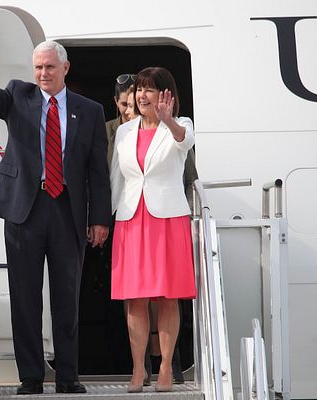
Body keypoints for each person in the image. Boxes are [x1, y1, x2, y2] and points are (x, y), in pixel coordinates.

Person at [0, 35, 111, 395]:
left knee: (67, 297)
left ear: (65, 68)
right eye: (38, 67)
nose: (43, 73)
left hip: (67, 210)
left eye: (49, 67)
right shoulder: (19, 95)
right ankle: (31, 376)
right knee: (24, 296)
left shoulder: (90, 110)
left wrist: (99, 218)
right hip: (24, 210)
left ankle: (68, 376)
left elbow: (98, 169)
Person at [110, 67, 197, 393]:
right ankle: (137, 369)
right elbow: (117, 177)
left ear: (165, 95)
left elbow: (184, 141)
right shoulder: (124, 131)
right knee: (134, 299)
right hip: (131, 220)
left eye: (149, 89)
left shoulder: (180, 124)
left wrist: (168, 120)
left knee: (167, 297)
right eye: (139, 90)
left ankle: (165, 368)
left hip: (167, 220)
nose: (142, 96)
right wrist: (103, 219)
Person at [106, 74, 136, 166]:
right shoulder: (105, 130)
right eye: (125, 104)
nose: (129, 110)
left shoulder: (152, 128)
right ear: (116, 101)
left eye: (133, 105)